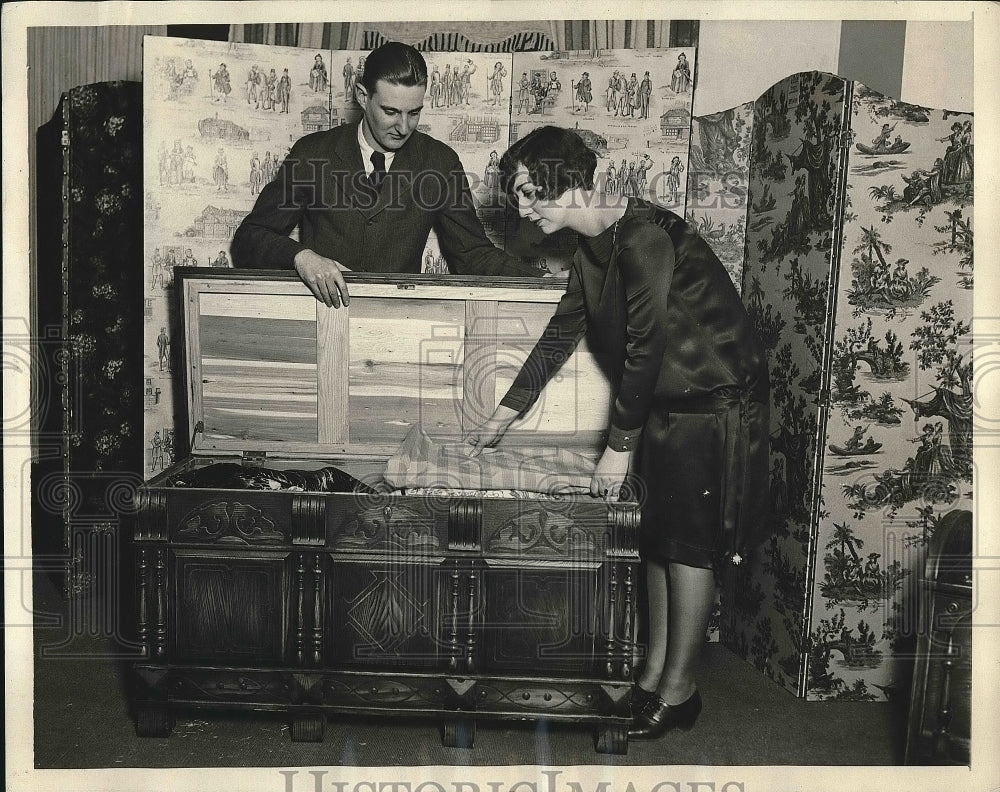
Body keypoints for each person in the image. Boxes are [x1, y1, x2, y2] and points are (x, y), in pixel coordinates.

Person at [465, 126, 769, 741]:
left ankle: (680, 690)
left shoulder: (644, 238)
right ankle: (657, 673)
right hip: (663, 405)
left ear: (568, 183)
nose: (522, 210)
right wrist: (504, 415)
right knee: (658, 540)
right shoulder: (590, 248)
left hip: (710, 404)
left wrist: (617, 447)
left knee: (689, 547)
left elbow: (647, 346)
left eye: (529, 194)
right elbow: (560, 332)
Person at [232, 41, 543, 307]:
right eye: (391, 112)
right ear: (363, 97)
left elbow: (474, 254)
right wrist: (302, 258)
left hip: (398, 321)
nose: (403, 127)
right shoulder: (313, 153)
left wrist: (545, 281)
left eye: (414, 112)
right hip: (321, 320)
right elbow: (250, 238)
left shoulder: (440, 162)